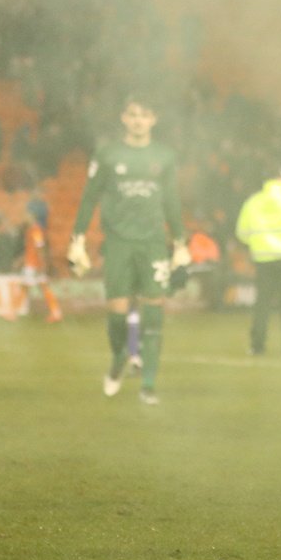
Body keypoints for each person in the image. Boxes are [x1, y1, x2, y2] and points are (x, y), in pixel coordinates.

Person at [68, 93, 190, 404]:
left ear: (153, 120)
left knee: (154, 312)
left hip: (152, 243)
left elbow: (172, 201)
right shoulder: (108, 154)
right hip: (119, 242)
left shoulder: (164, 156)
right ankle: (118, 357)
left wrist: (180, 243)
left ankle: (148, 386)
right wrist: (78, 237)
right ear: (124, 118)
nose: (138, 121)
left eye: (144, 115)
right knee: (118, 315)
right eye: (133, 115)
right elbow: (89, 196)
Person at [235, 162, 281, 356]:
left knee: (262, 305)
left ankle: (257, 345)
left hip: (263, 259)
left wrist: (257, 243)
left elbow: (242, 232)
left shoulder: (253, 202)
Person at [18, 196, 62, 322]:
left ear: (32, 215)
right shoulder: (32, 229)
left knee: (25, 287)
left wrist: (41, 266)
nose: (24, 215)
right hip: (32, 263)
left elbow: (40, 248)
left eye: (27, 213)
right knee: (43, 288)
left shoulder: (36, 230)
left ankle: (12, 312)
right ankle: (56, 313)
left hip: (33, 265)